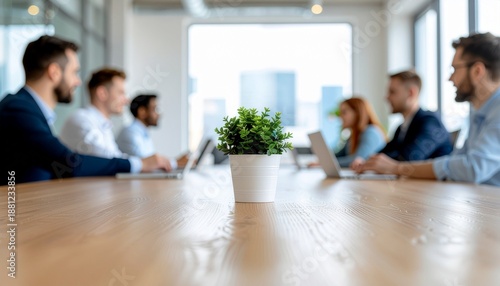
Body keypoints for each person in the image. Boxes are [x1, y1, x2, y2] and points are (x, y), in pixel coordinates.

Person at [0, 35, 170, 185]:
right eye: (74, 73)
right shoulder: (18, 110)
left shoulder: (27, 109)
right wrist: (140, 164)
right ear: (54, 72)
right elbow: (70, 163)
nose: (78, 82)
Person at [355, 32, 500, 186]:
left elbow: (473, 168)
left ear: (477, 71)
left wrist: (397, 168)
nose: (450, 78)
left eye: (455, 69)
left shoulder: (495, 112)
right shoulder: (479, 113)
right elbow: (458, 160)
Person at [311, 97, 387, 168]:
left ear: (357, 113)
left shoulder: (371, 132)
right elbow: (338, 155)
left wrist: (324, 164)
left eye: (344, 112)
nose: (340, 116)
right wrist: (322, 158)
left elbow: (355, 160)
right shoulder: (354, 135)